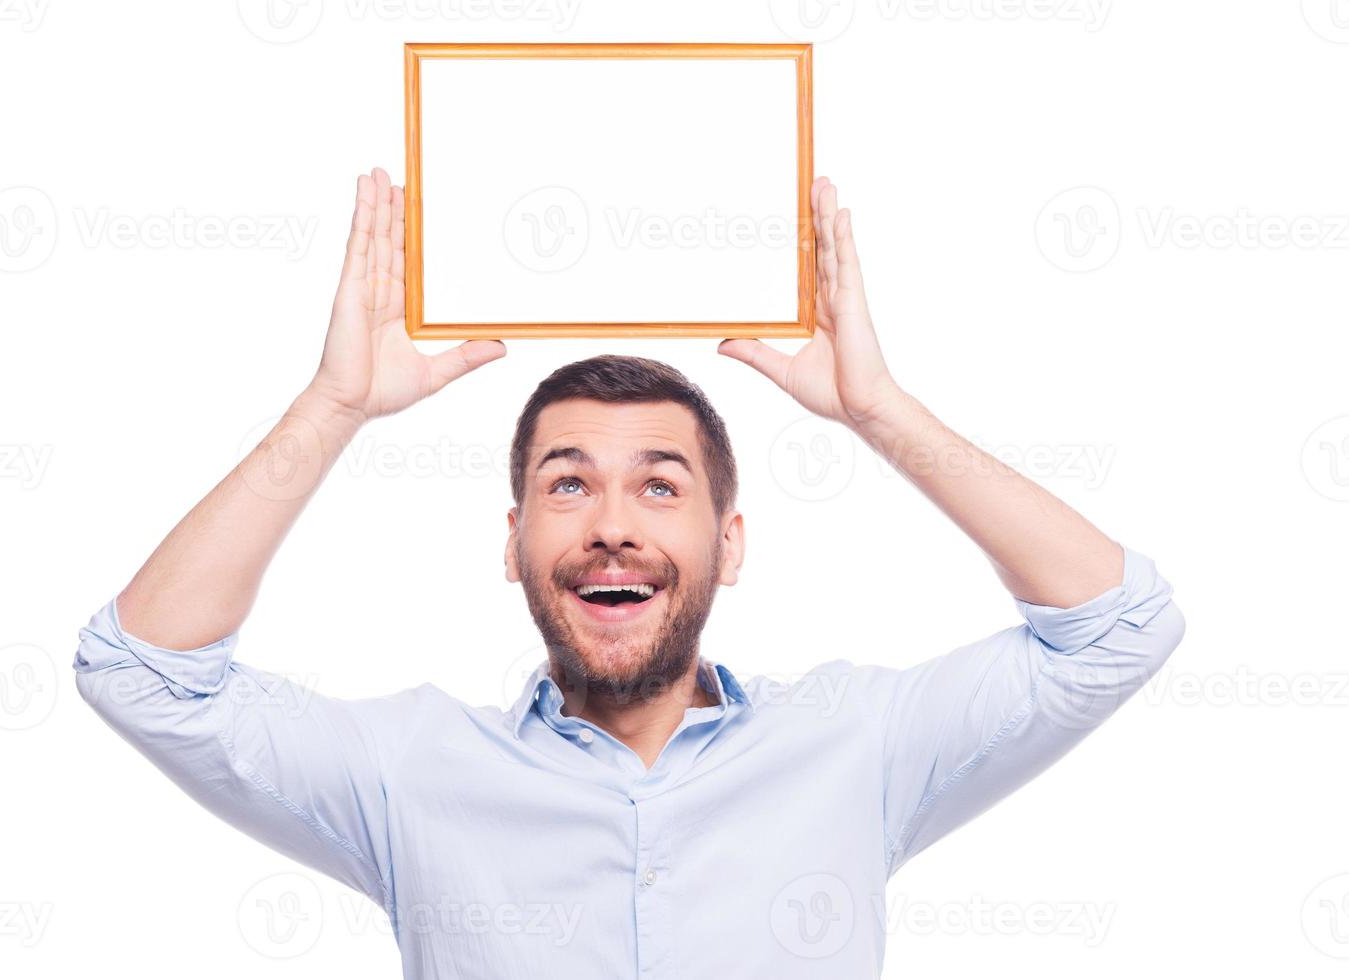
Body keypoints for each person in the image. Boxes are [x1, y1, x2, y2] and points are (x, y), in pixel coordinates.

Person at [73, 167, 1185, 977]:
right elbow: (141, 673)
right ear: (511, 544)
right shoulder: (406, 769)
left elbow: (1119, 624)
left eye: (659, 485)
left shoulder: (857, 744)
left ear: (729, 544)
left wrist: (878, 413)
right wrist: (333, 407)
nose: (610, 524)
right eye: (567, 485)